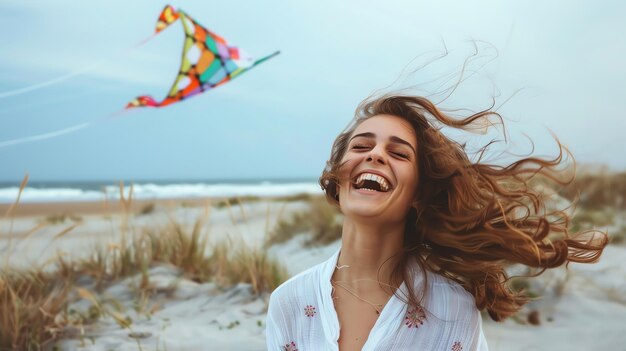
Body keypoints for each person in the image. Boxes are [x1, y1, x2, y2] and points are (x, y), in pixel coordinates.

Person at [265, 94, 608, 351]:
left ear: (418, 192)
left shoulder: (451, 309)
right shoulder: (289, 303)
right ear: (337, 179)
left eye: (399, 153)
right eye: (360, 146)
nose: (375, 154)